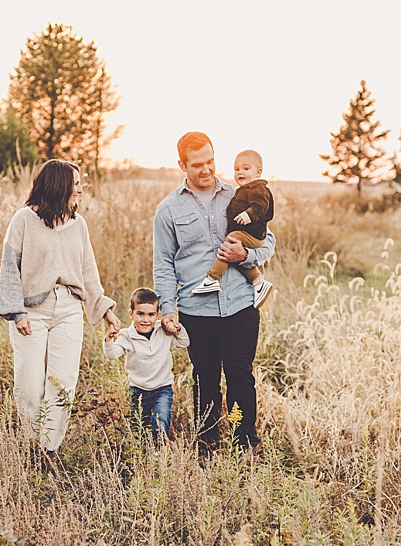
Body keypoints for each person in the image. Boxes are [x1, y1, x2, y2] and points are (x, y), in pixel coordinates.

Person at [153, 132, 275, 453]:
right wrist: (168, 308)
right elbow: (163, 263)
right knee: (204, 379)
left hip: (239, 305)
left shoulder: (241, 195)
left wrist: (246, 257)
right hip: (197, 309)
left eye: (210, 161)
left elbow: (268, 241)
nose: (206, 170)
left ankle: (243, 446)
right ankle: (206, 445)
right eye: (197, 165)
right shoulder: (168, 209)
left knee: (240, 374)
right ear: (182, 165)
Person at [0, 159, 121, 452]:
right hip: (31, 312)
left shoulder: (79, 225)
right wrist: (17, 312)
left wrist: (105, 310)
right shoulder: (24, 220)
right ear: (59, 185)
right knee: (29, 385)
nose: (80, 189)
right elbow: (9, 268)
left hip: (68, 310)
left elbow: (88, 271)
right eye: (76, 183)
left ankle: (47, 450)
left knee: (61, 384)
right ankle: (31, 445)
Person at [103, 287, 190, 443]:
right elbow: (112, 354)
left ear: (157, 315)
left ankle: (158, 453)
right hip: (138, 390)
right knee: (138, 427)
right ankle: (141, 454)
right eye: (140, 314)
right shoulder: (127, 335)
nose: (146, 320)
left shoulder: (163, 331)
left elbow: (184, 342)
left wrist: (177, 328)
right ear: (131, 314)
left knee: (161, 420)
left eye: (151, 315)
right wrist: (109, 340)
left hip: (162, 388)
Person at [192, 149, 275, 308]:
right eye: (237, 169)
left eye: (246, 168)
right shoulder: (242, 190)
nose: (240, 172)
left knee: (231, 242)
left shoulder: (258, 188)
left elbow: (261, 206)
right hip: (246, 233)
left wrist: (248, 215)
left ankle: (212, 278)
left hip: (252, 234)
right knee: (235, 257)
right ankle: (259, 283)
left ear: (258, 172)